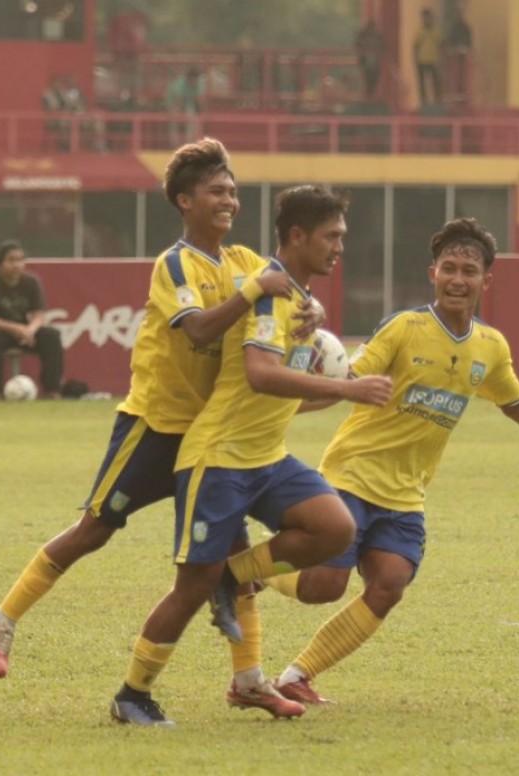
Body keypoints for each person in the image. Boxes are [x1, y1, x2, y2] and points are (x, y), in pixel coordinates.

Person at [0, 139, 318, 719]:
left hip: (211, 436)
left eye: (233, 191)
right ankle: (1, 618)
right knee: (94, 529)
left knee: (230, 551)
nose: (229, 200)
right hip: (155, 426)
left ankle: (250, 679)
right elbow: (199, 330)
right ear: (184, 201)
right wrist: (254, 290)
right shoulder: (175, 263)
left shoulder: (244, 260)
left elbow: (287, 297)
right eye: (216, 191)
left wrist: (313, 311)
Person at [256, 217, 519, 705]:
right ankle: (252, 571)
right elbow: (346, 379)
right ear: (433, 274)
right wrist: (288, 402)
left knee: (389, 583)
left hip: (406, 492)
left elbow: (515, 401)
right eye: (449, 268)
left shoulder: (490, 346)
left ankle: (297, 676)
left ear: (486, 281)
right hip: (353, 475)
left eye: (469, 271)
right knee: (324, 586)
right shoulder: (405, 328)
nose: (457, 279)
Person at [108, 185, 395, 727]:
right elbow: (261, 375)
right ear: (297, 236)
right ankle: (132, 694)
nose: (340, 247)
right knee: (190, 588)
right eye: (331, 237)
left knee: (335, 529)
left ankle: (231, 579)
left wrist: (329, 387)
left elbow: (279, 393)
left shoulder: (299, 299)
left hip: (266, 457)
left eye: (342, 237)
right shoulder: (266, 291)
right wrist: (346, 389)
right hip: (219, 458)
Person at [0, 241, 65, 399]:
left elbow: (39, 313)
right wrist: (17, 328)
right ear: (0, 263)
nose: (16, 265)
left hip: (24, 333)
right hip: (0, 333)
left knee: (51, 335)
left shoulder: (31, 282)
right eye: (11, 260)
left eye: (20, 260)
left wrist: (30, 330)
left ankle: (52, 389)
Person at [166, 66, 204, 146]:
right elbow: (178, 100)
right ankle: (174, 143)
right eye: (192, 79)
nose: (194, 81)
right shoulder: (180, 83)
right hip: (173, 103)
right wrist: (177, 111)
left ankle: (189, 142)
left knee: (192, 118)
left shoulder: (199, 83)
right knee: (174, 120)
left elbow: (199, 99)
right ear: (188, 78)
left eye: (195, 79)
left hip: (188, 103)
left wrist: (201, 111)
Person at [413, 9, 441, 109]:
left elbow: (440, 45)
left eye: (428, 17)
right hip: (422, 60)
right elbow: (415, 47)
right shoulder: (419, 32)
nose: (427, 20)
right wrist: (415, 60)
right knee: (422, 83)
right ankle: (424, 102)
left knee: (435, 82)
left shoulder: (436, 32)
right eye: (425, 18)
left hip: (433, 60)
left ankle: (437, 101)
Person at [354, 19, 384, 99]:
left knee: (374, 79)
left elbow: (382, 46)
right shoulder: (363, 36)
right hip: (366, 62)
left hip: (374, 62)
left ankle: (371, 95)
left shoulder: (377, 37)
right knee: (367, 79)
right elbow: (357, 45)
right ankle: (368, 96)